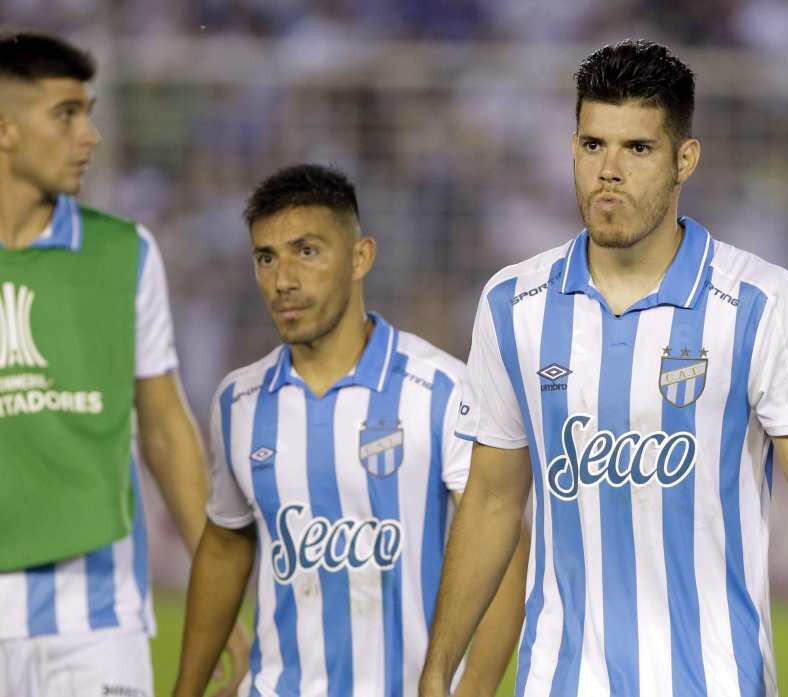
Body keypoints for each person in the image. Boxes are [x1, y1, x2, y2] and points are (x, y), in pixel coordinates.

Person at [419, 39, 788, 697]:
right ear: (572, 148)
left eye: (638, 148)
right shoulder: (514, 304)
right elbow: (490, 501)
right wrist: (438, 671)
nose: (610, 170)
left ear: (685, 158)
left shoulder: (759, 303)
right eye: (594, 144)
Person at [173, 164, 527, 697]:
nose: (283, 279)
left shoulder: (441, 390)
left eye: (306, 251)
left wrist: (471, 688)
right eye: (266, 258)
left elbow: (504, 549)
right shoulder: (239, 401)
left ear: (361, 257)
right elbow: (226, 545)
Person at [0, 31, 248, 697]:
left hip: (97, 624)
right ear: (6, 130)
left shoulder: (124, 254)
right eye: (66, 115)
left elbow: (165, 427)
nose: (91, 136)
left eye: (90, 112)